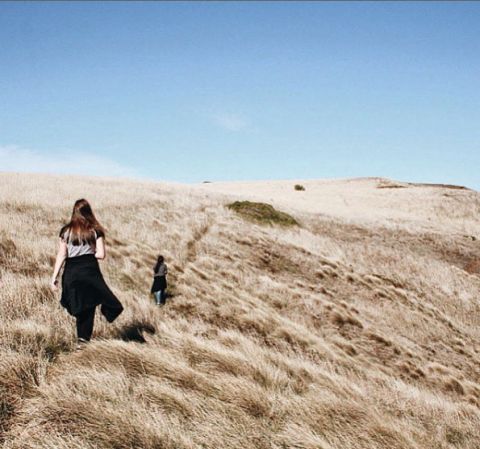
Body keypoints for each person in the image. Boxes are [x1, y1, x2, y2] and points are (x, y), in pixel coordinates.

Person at [51, 199, 123, 348]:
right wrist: (90, 253)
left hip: (71, 272)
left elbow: (62, 255)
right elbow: (101, 255)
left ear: (74, 212)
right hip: (89, 272)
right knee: (89, 307)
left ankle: (82, 343)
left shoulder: (65, 231)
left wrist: (54, 277)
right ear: (89, 212)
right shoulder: (95, 231)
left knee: (79, 306)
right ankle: (83, 343)